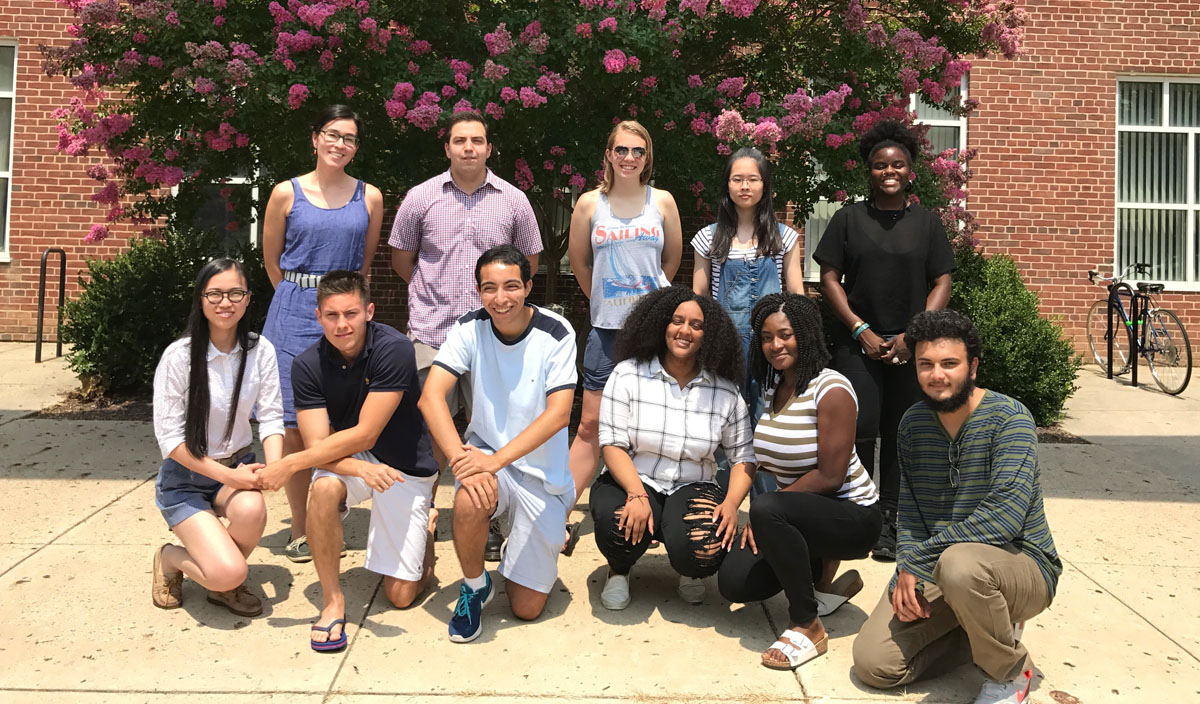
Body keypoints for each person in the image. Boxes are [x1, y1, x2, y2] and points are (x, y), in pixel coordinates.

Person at [852, 310, 1061, 704]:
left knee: (961, 566)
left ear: (973, 367)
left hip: (1021, 564)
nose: (937, 375)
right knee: (874, 663)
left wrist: (919, 561)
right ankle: (982, 634)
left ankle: (1011, 672)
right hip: (944, 567)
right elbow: (910, 510)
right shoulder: (912, 424)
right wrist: (905, 568)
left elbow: (1005, 517)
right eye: (926, 364)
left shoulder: (1010, 419)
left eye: (950, 364)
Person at [256, 271, 438, 652]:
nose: (342, 325)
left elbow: (367, 433)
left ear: (369, 311)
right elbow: (319, 443)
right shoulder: (307, 365)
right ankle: (333, 601)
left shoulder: (394, 349)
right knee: (322, 488)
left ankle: (427, 532)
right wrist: (357, 468)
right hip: (351, 458)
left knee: (401, 595)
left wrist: (289, 465)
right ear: (319, 317)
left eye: (351, 313)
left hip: (404, 462)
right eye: (332, 315)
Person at [390, 110, 543, 560]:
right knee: (426, 437)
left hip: (493, 339)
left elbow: (527, 263)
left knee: (492, 435)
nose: (469, 148)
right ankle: (421, 519)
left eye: (477, 140)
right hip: (432, 333)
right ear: (448, 148)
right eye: (460, 140)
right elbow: (403, 259)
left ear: (489, 148)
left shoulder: (514, 200)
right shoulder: (421, 198)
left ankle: (490, 520)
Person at [812, 120, 955, 561]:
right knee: (861, 425)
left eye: (897, 164)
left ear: (910, 170)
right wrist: (860, 329)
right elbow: (828, 277)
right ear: (868, 171)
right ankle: (858, 510)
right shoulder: (848, 219)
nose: (888, 171)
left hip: (911, 348)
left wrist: (915, 335)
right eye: (879, 165)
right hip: (858, 343)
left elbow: (942, 280)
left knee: (900, 430)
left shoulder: (927, 224)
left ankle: (890, 520)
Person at [418, 245, 577, 643]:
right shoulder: (468, 328)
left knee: (525, 608)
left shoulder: (557, 332)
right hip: (489, 458)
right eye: (489, 288)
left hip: (543, 475)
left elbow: (558, 415)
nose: (500, 298)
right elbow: (431, 396)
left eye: (510, 286)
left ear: (527, 286)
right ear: (478, 291)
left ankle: (537, 540)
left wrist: (493, 462)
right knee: (470, 494)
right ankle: (475, 584)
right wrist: (462, 460)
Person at [718, 293, 882, 670]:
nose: (775, 345)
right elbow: (756, 462)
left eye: (786, 334)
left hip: (855, 518)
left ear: (806, 334)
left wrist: (765, 514)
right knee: (735, 583)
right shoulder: (774, 389)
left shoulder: (832, 389)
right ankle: (822, 589)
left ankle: (807, 624)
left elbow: (830, 476)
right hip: (802, 513)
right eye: (766, 337)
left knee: (767, 508)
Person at [261, 104, 383, 564]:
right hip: (293, 309)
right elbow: (273, 261)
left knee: (343, 418)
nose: (340, 144)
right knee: (294, 426)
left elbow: (365, 262)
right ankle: (301, 526)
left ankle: (332, 503)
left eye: (349, 138)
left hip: (346, 310)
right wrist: (300, 296)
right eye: (333, 134)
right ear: (315, 138)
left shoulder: (369, 197)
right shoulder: (284, 193)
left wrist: (341, 306)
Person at [592, 285, 752, 610]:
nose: (685, 331)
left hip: (694, 484)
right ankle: (618, 570)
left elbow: (744, 458)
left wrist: (732, 503)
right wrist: (637, 494)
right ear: (661, 323)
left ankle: (689, 570)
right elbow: (611, 444)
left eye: (696, 325)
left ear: (709, 335)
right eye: (677, 321)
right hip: (635, 479)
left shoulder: (725, 391)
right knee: (616, 522)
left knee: (705, 546)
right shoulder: (627, 375)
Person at [567, 120, 683, 546]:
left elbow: (669, 262)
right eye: (622, 150)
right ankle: (561, 514)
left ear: (647, 156)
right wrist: (604, 300)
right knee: (590, 425)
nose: (629, 158)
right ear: (608, 155)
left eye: (638, 150)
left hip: (653, 333)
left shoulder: (663, 202)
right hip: (605, 330)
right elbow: (580, 263)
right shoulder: (588, 205)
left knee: (650, 425)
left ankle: (649, 509)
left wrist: (646, 308)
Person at [151, 258, 284, 618]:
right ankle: (172, 559)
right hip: (186, 479)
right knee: (228, 571)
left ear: (248, 298)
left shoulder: (261, 350)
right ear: (200, 299)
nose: (226, 302)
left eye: (235, 293)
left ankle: (221, 580)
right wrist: (229, 476)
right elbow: (171, 440)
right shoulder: (178, 357)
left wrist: (275, 466)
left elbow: (271, 416)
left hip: (237, 464)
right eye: (215, 294)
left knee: (253, 509)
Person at [692, 147, 803, 422]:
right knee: (724, 414)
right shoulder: (708, 238)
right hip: (725, 339)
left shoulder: (785, 237)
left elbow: (798, 295)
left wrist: (797, 339)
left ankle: (766, 466)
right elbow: (699, 296)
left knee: (768, 414)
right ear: (726, 185)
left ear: (765, 186)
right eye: (737, 179)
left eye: (753, 179)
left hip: (773, 342)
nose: (745, 186)